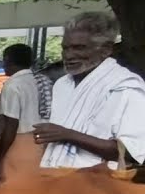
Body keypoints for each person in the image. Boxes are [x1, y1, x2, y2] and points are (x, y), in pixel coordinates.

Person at [36, 12, 145, 169]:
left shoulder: (125, 86)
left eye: (79, 48)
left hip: (100, 186)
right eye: (65, 48)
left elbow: (130, 153)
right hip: (55, 179)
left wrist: (67, 135)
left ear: (106, 49)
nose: (69, 55)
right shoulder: (62, 85)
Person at [0, 43, 46, 182]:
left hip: (20, 144)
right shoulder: (41, 80)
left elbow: (11, 124)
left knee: (13, 187)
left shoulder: (13, 85)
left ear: (8, 60)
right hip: (41, 143)